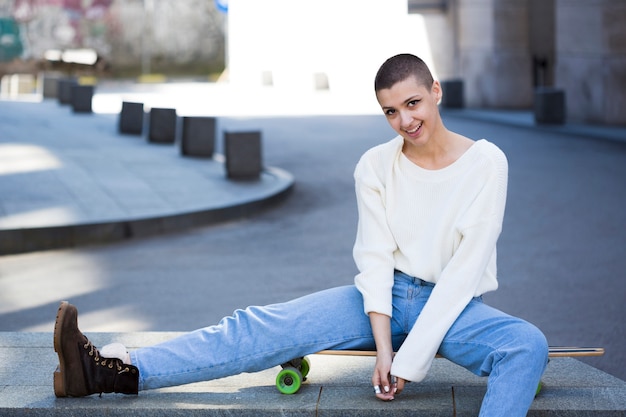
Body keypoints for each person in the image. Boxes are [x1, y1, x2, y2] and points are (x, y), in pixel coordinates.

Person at [53, 53, 549, 416]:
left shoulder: (486, 162)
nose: (405, 120)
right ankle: (110, 371)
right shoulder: (375, 165)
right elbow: (375, 260)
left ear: (435, 91)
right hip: (385, 296)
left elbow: (466, 270)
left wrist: (409, 362)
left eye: (413, 102)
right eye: (391, 111)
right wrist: (383, 349)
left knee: (526, 345)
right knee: (256, 327)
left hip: (455, 305)